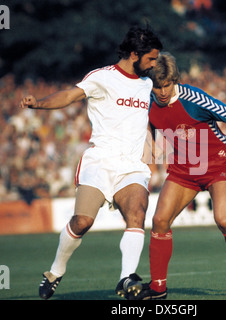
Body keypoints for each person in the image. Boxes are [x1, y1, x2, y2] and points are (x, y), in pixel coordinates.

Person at [19, 25, 163, 300]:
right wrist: (38, 103)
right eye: (151, 58)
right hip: (100, 161)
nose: (154, 63)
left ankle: (125, 280)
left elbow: (150, 123)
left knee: (137, 214)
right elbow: (70, 95)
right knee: (82, 221)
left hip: (132, 166)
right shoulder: (102, 77)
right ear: (135, 54)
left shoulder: (148, 85)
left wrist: (158, 153)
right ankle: (55, 271)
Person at [134, 52, 226, 300]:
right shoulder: (148, 102)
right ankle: (158, 289)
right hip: (183, 170)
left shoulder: (193, 97)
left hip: (216, 164)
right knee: (160, 220)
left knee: (224, 219)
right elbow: (151, 130)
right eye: (157, 86)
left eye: (167, 85)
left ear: (174, 80)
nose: (162, 92)